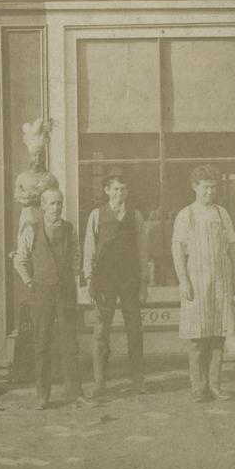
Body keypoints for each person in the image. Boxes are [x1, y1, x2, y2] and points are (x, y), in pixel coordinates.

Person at [13, 188, 94, 410]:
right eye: (51, 204)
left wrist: (72, 277)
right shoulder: (32, 229)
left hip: (65, 291)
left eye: (59, 203)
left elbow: (76, 255)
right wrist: (31, 282)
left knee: (70, 342)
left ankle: (75, 392)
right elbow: (20, 260)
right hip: (41, 292)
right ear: (43, 206)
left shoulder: (69, 229)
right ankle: (43, 395)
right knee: (42, 343)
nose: (56, 207)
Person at [171, 165, 235, 402]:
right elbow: (177, 250)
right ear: (195, 187)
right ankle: (198, 388)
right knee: (198, 339)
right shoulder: (186, 215)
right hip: (196, 283)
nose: (210, 192)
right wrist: (183, 281)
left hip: (221, 281)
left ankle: (215, 385)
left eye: (213, 187)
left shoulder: (222, 213)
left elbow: (232, 245)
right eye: (206, 188)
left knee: (218, 336)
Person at [82, 173, 148, 396]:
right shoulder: (96, 215)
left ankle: (138, 381)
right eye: (116, 189)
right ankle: (100, 384)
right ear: (107, 191)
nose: (120, 193)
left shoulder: (135, 216)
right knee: (101, 332)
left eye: (124, 189)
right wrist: (89, 280)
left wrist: (144, 283)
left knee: (135, 331)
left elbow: (142, 251)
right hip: (105, 281)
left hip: (130, 280)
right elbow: (89, 249)